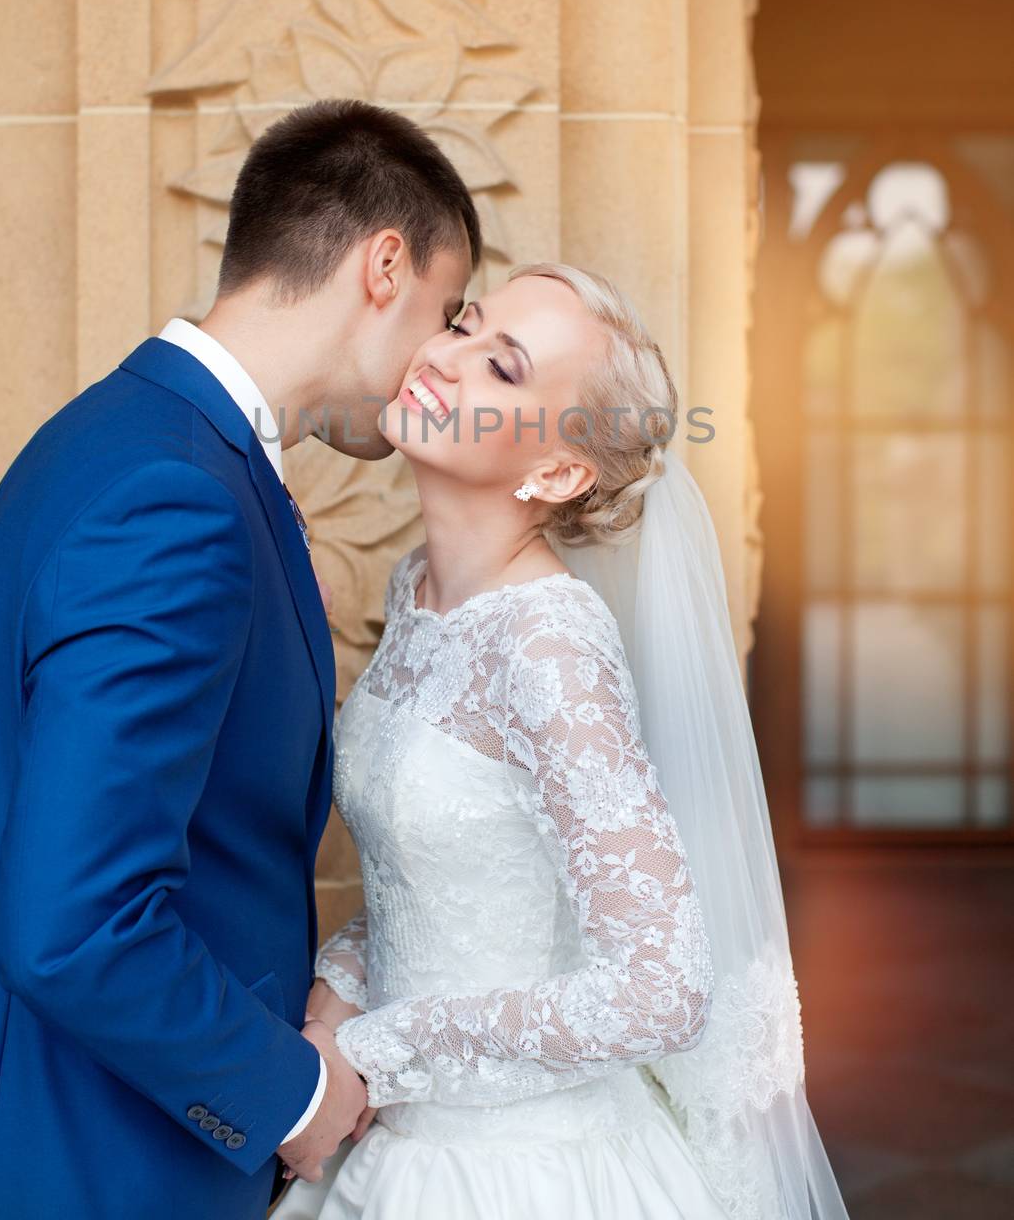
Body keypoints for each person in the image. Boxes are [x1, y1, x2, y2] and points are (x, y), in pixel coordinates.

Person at [0, 100, 478, 1220]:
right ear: (384, 265)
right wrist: (288, 1096)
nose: (439, 355)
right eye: (447, 309)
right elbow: (74, 922)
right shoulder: (177, 496)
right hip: (98, 1163)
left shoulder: (120, 438)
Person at [284, 262, 849, 1220]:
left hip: (523, 1174)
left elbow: (660, 989)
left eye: (501, 368)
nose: (446, 357)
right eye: (463, 324)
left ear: (555, 471)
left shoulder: (550, 642)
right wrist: (333, 998)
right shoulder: (419, 588)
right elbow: (458, 883)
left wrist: (376, 1053)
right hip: (401, 1145)